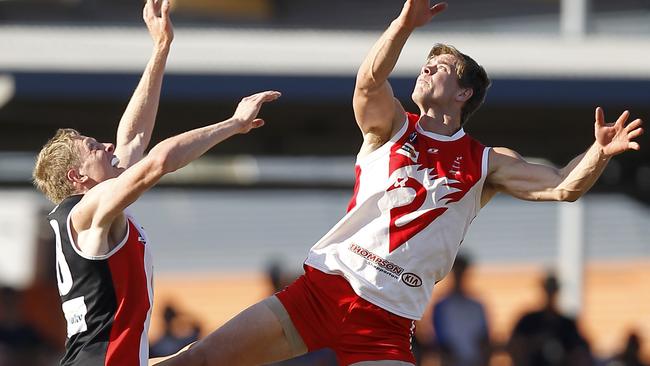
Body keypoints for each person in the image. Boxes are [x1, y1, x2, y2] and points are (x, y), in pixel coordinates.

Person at [154, 1, 644, 365]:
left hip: (386, 323)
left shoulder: (485, 161)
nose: (427, 67)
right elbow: (368, 82)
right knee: (197, 361)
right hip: (323, 290)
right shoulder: (392, 126)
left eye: (442, 67)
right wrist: (402, 25)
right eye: (426, 62)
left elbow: (562, 186)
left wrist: (598, 153)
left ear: (465, 92)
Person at [32, 1, 281, 364]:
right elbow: (159, 161)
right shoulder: (88, 212)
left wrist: (161, 48)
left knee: (199, 356)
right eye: (93, 147)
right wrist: (233, 124)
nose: (108, 146)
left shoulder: (91, 208)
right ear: (77, 176)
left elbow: (133, 138)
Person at [508, 274, 592, 366]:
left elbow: (581, 348)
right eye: (548, 290)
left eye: (552, 290)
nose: (550, 294)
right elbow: (514, 345)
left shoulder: (567, 324)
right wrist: (534, 344)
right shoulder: (528, 321)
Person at [432, 255, 490, 366]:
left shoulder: (477, 306)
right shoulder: (441, 306)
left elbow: (484, 337)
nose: (459, 276)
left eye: (461, 272)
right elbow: (438, 338)